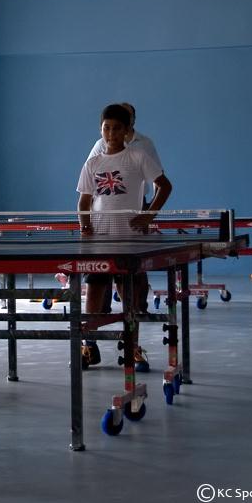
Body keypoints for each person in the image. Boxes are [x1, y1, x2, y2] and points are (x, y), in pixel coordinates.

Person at [77, 103, 172, 371]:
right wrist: (85, 228)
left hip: (130, 239)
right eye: (106, 128)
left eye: (117, 128)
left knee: (129, 294)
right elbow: (83, 201)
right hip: (100, 239)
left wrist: (149, 215)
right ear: (100, 129)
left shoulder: (139, 156)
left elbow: (164, 186)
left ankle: (132, 345)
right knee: (94, 290)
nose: (111, 133)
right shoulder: (93, 162)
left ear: (127, 130)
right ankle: (88, 344)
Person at [86, 102, 163, 199]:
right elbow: (88, 175)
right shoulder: (101, 144)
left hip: (137, 201)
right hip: (106, 201)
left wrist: (153, 205)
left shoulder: (145, 143)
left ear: (133, 119)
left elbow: (158, 174)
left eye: (128, 115)